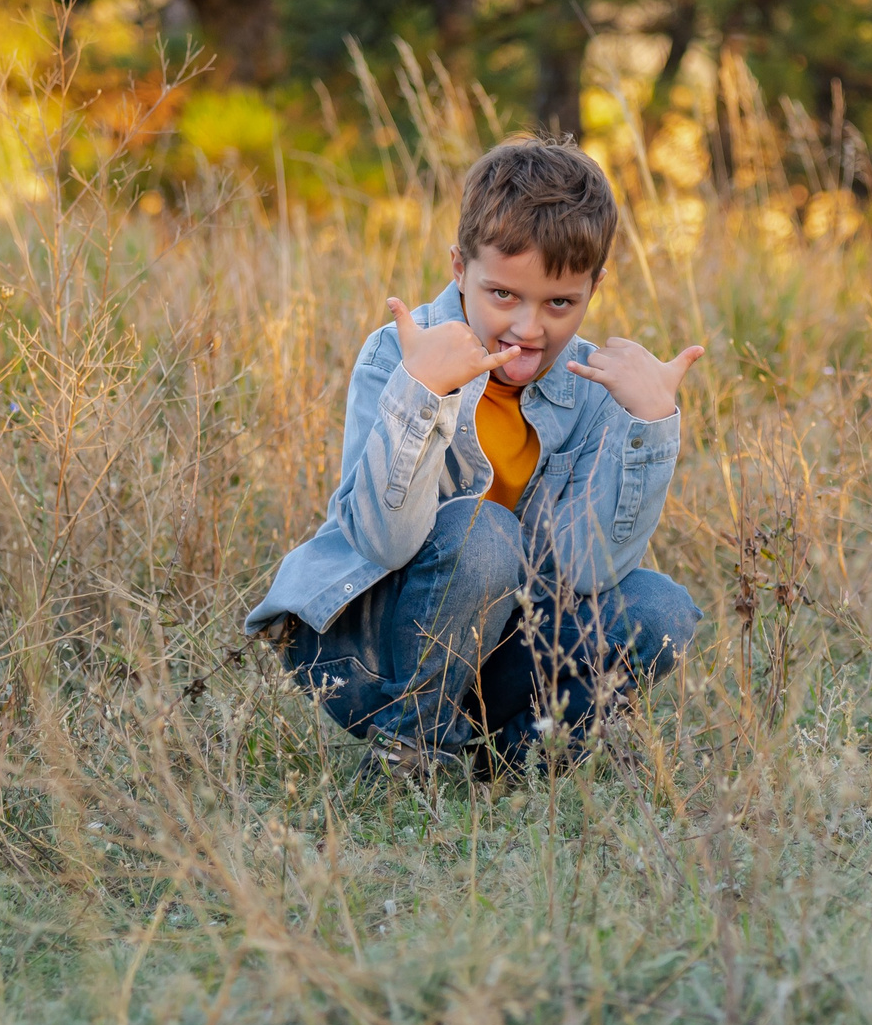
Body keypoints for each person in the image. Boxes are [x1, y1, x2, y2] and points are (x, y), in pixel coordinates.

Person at [246, 136, 707, 779]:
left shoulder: (595, 390)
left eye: (560, 303)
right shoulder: (400, 356)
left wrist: (649, 427)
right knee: (483, 532)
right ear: (460, 267)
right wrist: (423, 394)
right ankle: (410, 753)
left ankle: (517, 760)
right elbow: (381, 541)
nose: (529, 328)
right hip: (366, 656)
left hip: (499, 656)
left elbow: (590, 568)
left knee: (662, 610)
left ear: (594, 285)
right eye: (503, 295)